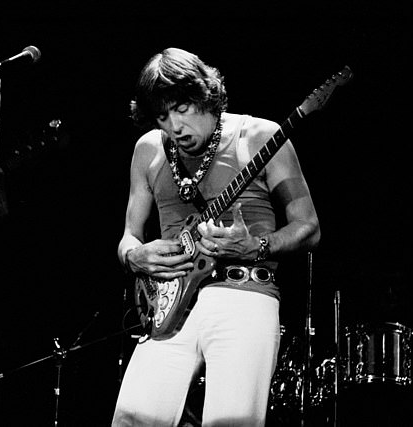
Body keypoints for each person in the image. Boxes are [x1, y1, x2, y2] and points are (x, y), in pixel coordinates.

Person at [112, 47, 320, 426]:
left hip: (243, 292)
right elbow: (129, 235)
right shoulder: (148, 150)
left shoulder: (260, 135)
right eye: (162, 116)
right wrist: (135, 255)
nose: (174, 127)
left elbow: (308, 227)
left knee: (232, 420)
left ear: (205, 95)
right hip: (169, 307)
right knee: (133, 416)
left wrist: (256, 245)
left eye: (182, 108)